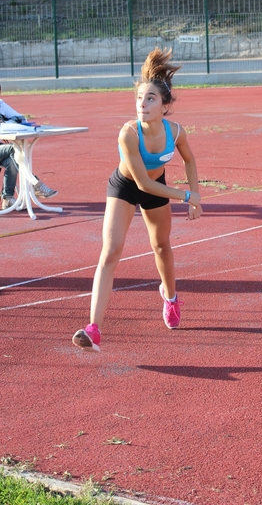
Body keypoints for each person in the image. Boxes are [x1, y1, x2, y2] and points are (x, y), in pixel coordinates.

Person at [72, 47, 202, 352]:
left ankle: (170, 298)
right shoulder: (128, 133)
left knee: (161, 246)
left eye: (150, 98)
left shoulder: (176, 132)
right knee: (111, 251)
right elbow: (142, 182)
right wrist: (186, 195)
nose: (142, 104)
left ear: (164, 105)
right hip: (126, 187)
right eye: (139, 98)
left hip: (158, 187)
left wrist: (195, 196)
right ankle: (93, 328)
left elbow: (190, 161)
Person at [0, 76, 57, 209]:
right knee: (13, 149)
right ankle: (34, 183)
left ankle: (7, 198)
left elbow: (21, 118)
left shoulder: (0, 105)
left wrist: (7, 122)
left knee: (11, 160)